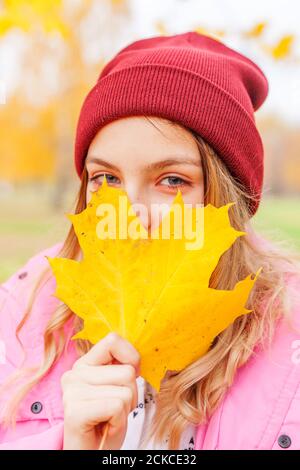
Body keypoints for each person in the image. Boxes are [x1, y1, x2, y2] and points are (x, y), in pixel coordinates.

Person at [1, 31, 300, 451]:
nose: (131, 212)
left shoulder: (289, 339)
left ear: (228, 201)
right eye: (106, 178)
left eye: (172, 180)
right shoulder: (26, 312)